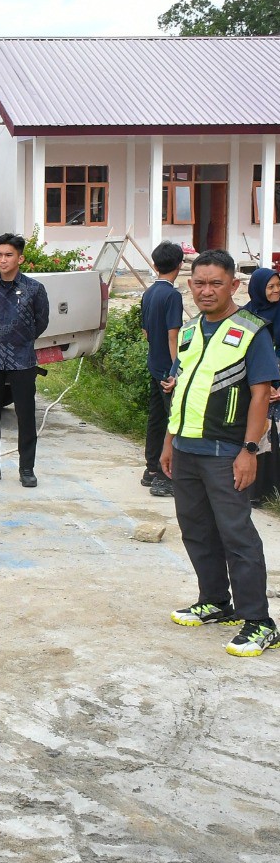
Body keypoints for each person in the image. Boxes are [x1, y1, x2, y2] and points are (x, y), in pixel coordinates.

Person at [161, 250, 279, 658]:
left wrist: (249, 450)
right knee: (196, 529)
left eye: (215, 283)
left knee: (237, 535)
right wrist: (168, 442)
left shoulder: (252, 330)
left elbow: (261, 394)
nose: (206, 290)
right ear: (189, 285)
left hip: (226, 452)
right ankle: (215, 601)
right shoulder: (192, 332)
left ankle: (260, 621)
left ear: (234, 285)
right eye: (199, 283)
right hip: (186, 449)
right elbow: (181, 391)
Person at [0, 232, 50, 488]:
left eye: (8, 255)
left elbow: (42, 322)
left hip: (22, 361)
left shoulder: (34, 289)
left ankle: (27, 469)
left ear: (20, 258)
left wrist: (21, 340)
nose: (3, 260)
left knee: (25, 416)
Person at [140, 242, 185, 498]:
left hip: (153, 364)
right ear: (180, 265)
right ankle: (166, 478)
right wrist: (175, 371)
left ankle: (151, 470)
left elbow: (146, 332)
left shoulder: (149, 293)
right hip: (167, 370)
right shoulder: (173, 295)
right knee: (173, 421)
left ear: (155, 266)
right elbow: (173, 335)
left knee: (156, 419)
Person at [241, 266, 280, 503]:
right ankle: (256, 492)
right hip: (256, 385)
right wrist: (264, 385)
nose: (276, 291)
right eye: (271, 287)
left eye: (279, 286)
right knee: (259, 434)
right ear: (257, 289)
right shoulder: (246, 316)